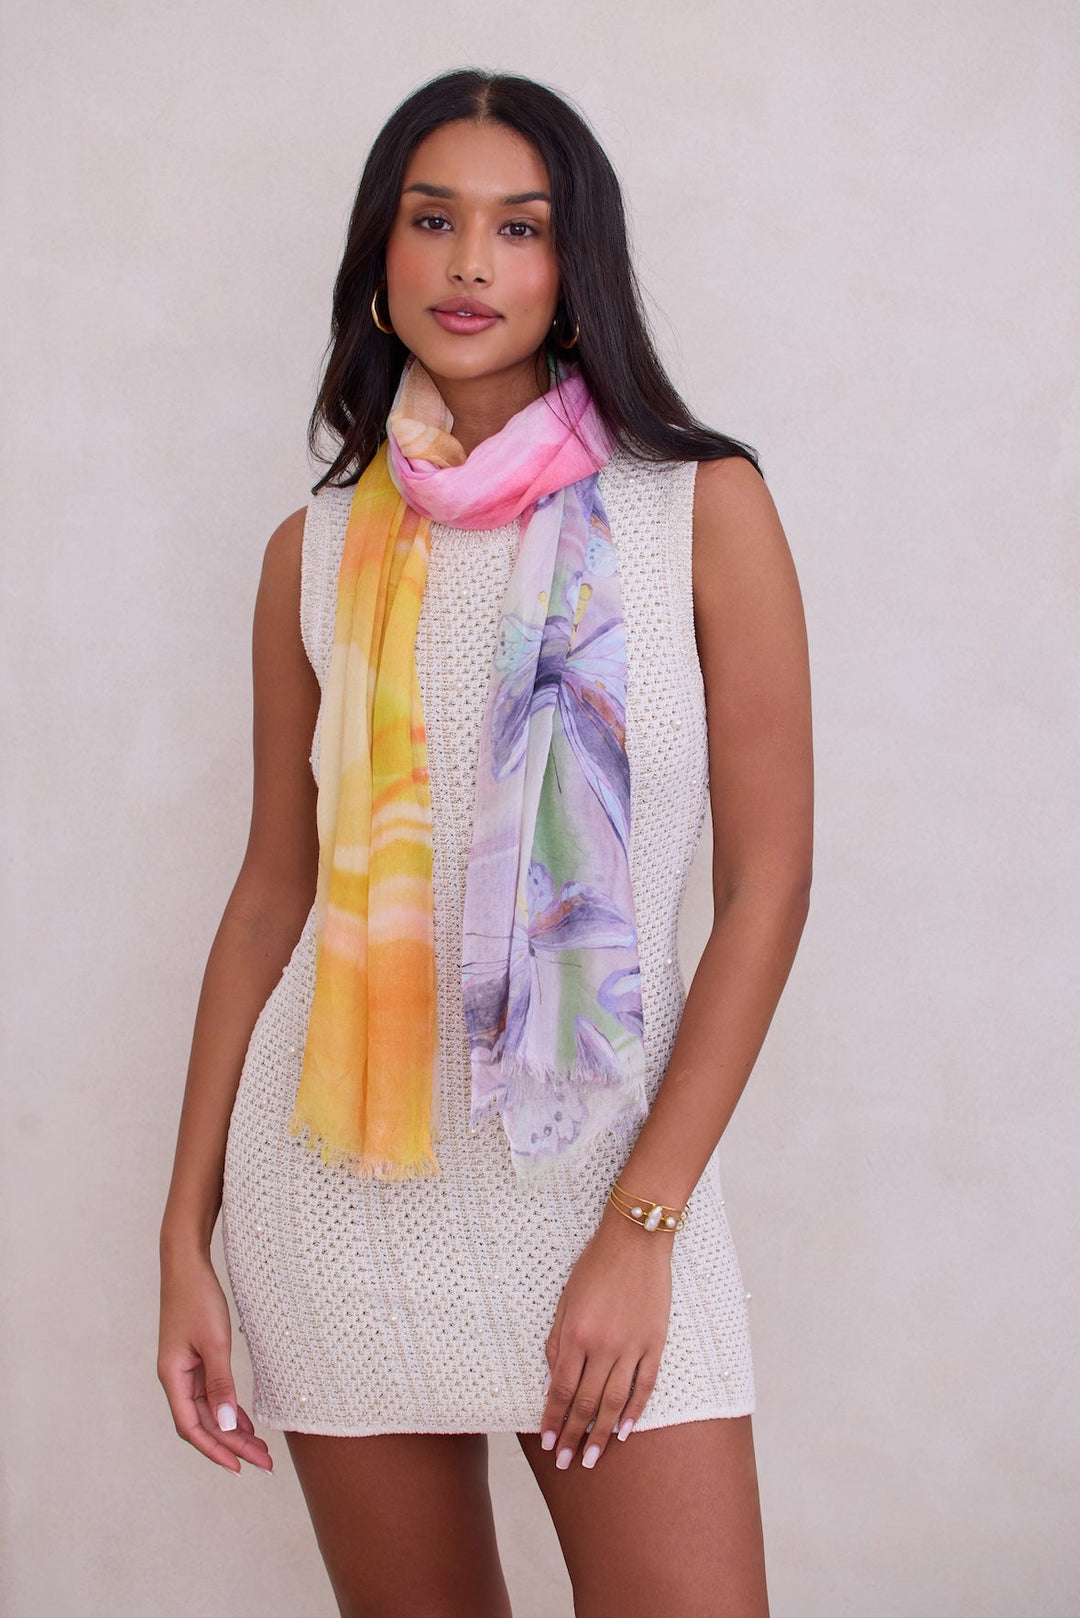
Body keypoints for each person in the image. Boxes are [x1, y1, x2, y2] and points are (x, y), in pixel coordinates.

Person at [158, 67, 812, 1618]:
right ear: (378, 257)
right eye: (432, 220)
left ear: (576, 268)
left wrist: (644, 1224)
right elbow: (270, 899)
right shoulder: (313, 550)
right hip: (339, 1189)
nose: (469, 263)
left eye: (520, 228)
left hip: (608, 1180)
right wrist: (184, 1231)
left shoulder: (698, 509)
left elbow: (767, 884)